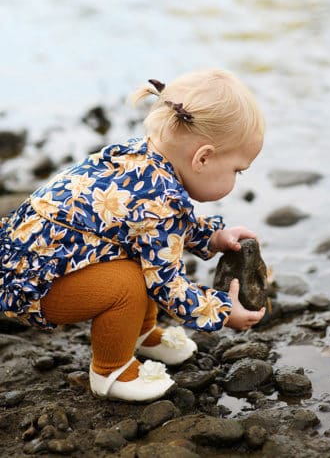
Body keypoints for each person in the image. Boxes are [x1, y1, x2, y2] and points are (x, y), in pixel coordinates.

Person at [0, 69, 267, 402]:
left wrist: (212, 238)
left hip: (29, 259)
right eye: (236, 170)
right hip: (38, 285)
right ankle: (111, 370)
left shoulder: (140, 156)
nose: (236, 179)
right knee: (129, 280)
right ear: (203, 158)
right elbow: (169, 286)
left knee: (135, 254)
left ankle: (139, 334)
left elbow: (158, 229)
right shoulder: (160, 203)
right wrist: (223, 311)